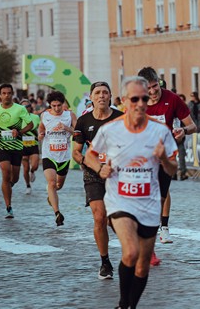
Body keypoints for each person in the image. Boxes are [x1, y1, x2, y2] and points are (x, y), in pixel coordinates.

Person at [85, 76, 178, 309]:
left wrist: (164, 158)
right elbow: (89, 156)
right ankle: (123, 303)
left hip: (148, 203)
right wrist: (100, 168)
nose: (139, 103)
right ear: (124, 101)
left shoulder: (160, 131)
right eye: (134, 99)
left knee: (143, 263)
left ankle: (129, 305)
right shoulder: (110, 130)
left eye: (143, 98)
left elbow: (173, 168)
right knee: (131, 251)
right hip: (120, 201)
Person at [138, 67, 196, 261]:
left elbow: (193, 125)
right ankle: (149, 247)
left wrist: (183, 131)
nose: (153, 92)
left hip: (166, 156)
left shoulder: (172, 99)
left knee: (161, 198)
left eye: (155, 86)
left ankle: (162, 227)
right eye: (149, 89)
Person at [73, 81, 124, 280]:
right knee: (99, 217)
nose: (101, 96)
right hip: (93, 174)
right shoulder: (83, 122)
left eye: (105, 92)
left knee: (116, 219)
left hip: (118, 173)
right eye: (97, 93)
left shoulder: (121, 118)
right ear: (92, 97)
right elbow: (76, 153)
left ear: (110, 96)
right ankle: (105, 262)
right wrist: (90, 164)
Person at [0, 84, 34, 218]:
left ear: (13, 94)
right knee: (5, 172)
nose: (6, 95)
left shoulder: (20, 109)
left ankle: (9, 185)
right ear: (0, 95)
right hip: (2, 147)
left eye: (9, 93)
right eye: (4, 93)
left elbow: (30, 124)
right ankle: (8, 207)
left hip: (17, 147)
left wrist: (19, 131)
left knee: (15, 177)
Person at [38, 91, 77, 226]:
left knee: (58, 185)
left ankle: (51, 196)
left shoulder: (69, 115)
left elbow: (78, 132)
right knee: (52, 183)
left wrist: (66, 127)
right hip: (49, 154)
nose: (56, 108)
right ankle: (57, 213)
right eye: (53, 105)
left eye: (59, 105)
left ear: (63, 103)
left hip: (64, 156)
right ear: (50, 105)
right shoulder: (45, 115)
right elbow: (41, 128)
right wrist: (40, 134)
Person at [20, 99, 41, 195]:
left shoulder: (35, 117)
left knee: (35, 165)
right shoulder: (18, 118)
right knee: (25, 168)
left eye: (27, 106)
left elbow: (40, 128)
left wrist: (41, 134)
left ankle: (32, 172)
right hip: (22, 145)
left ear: (30, 107)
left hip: (33, 144)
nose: (25, 108)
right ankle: (28, 185)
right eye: (23, 107)